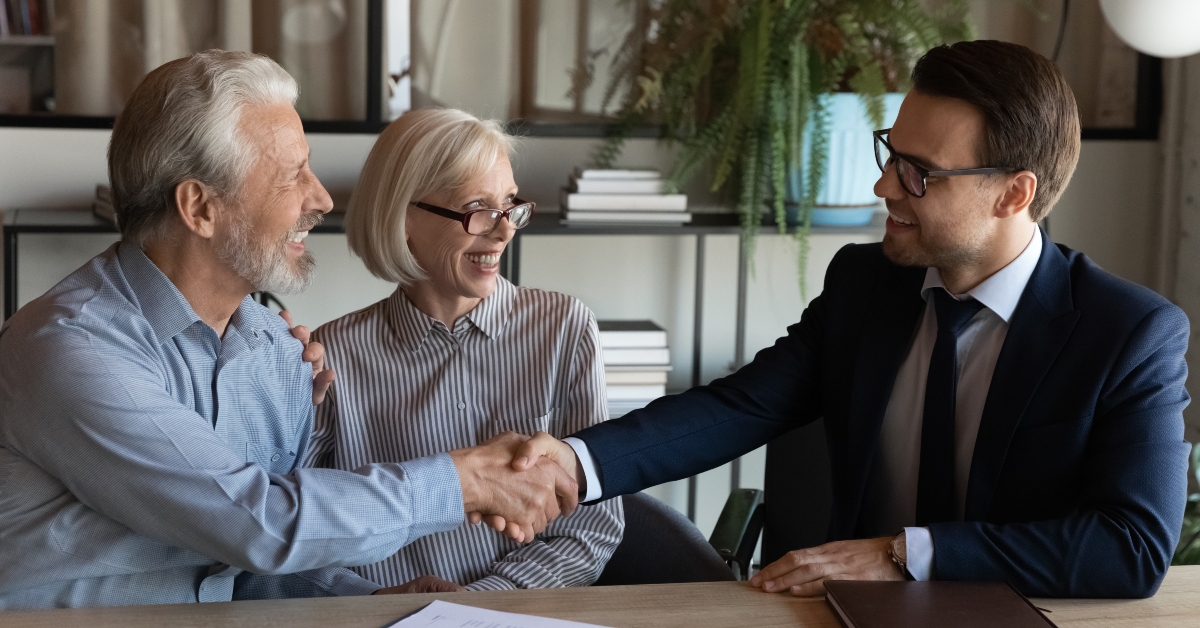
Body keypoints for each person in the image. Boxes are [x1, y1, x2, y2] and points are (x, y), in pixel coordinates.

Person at [511, 40, 1191, 598]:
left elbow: (1128, 548)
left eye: (920, 174)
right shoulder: (867, 284)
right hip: (846, 620)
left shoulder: (1127, 334)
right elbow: (739, 407)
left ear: (1014, 193)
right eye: (890, 154)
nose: (884, 187)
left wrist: (903, 555)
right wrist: (576, 459)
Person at [0, 50, 576, 610]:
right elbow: (260, 524)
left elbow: (238, 569)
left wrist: (363, 601)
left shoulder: (277, 351)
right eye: (291, 175)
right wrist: (464, 481)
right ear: (199, 208)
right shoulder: (69, 350)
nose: (321, 198)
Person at [301, 108, 623, 592]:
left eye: (510, 205)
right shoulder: (333, 354)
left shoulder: (563, 328)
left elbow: (593, 527)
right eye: (478, 207)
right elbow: (297, 528)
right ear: (405, 216)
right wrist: (371, 597)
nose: (504, 230)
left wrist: (483, 600)